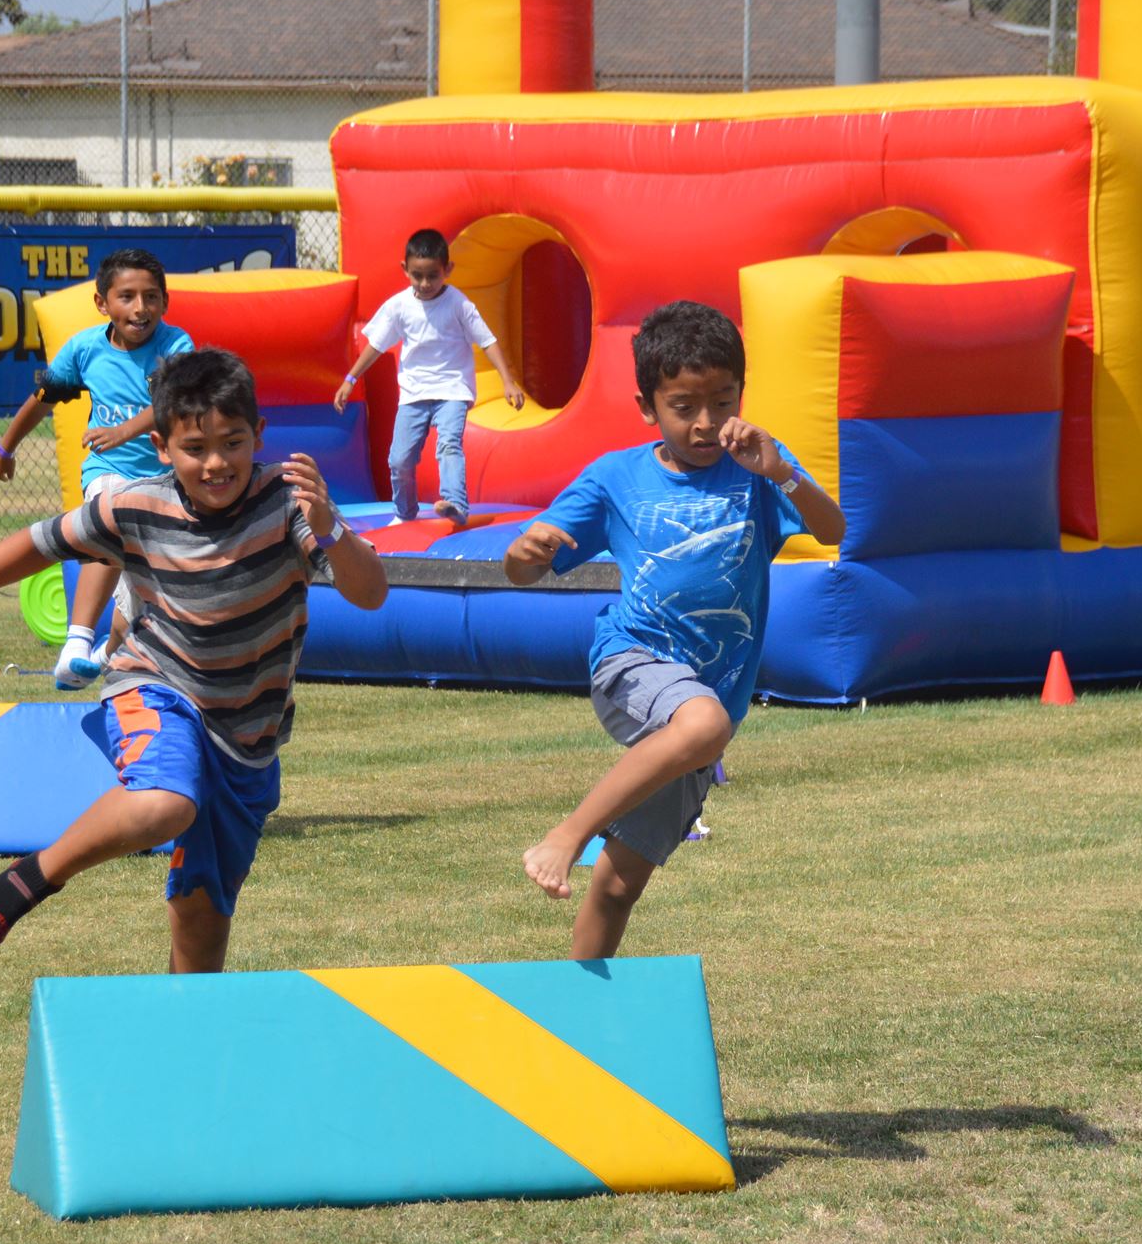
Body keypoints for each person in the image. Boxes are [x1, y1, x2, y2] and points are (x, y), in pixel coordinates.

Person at [0, 348, 389, 970]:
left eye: (232, 443)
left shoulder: (287, 503)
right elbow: (38, 544)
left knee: (204, 917)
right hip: (156, 684)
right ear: (161, 446)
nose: (215, 463)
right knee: (163, 802)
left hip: (247, 733)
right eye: (194, 448)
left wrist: (333, 527)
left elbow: (371, 594)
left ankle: (183, 1040)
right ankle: (36, 874)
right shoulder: (134, 505)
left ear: (258, 436)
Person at [502, 300, 844, 958]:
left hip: (704, 706)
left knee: (619, 885)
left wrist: (782, 470)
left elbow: (833, 531)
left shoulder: (758, 469)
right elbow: (522, 568)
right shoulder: (616, 477)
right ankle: (568, 833)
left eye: (722, 399)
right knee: (704, 725)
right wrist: (527, 551)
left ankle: (580, 1023)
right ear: (647, 406)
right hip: (631, 661)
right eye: (685, 405)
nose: (707, 421)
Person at [0, 248, 195, 689]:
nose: (140, 308)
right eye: (127, 297)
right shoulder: (85, 349)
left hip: (164, 481)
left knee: (147, 582)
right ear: (103, 303)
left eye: (151, 297)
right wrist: (6, 446)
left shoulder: (176, 346)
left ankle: (105, 655)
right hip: (108, 470)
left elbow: (171, 402)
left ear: (164, 302)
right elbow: (43, 399)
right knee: (110, 521)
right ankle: (77, 643)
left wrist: (125, 428)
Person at [334, 227, 526, 527]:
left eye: (432, 276)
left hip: (453, 389)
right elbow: (376, 344)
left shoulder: (459, 305)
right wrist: (350, 379)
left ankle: (456, 502)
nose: (425, 284)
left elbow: (487, 340)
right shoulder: (400, 306)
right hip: (414, 393)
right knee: (400, 460)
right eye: (417, 275)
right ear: (405, 270)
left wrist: (507, 380)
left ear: (447, 270)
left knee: (449, 444)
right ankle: (405, 511)